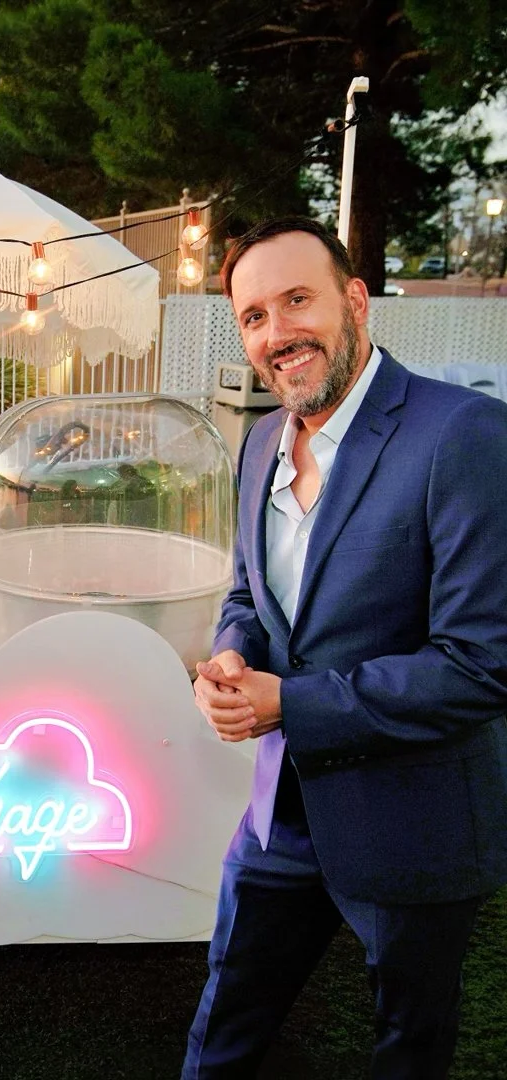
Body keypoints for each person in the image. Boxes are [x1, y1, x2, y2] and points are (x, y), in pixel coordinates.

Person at [182, 217, 507, 1078]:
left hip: (415, 819)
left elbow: (480, 665)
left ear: (356, 300)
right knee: (224, 1025)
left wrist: (288, 703)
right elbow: (250, 595)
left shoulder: (465, 434)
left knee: (410, 1046)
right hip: (279, 814)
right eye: (254, 316)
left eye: (298, 300)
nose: (277, 333)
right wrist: (230, 655)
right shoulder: (260, 441)